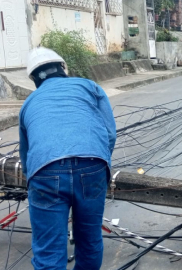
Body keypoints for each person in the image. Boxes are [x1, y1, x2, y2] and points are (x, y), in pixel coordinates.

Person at [20, 47, 116, 270]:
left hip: (44, 172)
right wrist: (98, 165)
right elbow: (109, 134)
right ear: (63, 68)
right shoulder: (89, 86)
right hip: (92, 165)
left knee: (49, 252)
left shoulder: (29, 102)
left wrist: (35, 182)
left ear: (34, 78)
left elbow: (26, 157)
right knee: (89, 241)